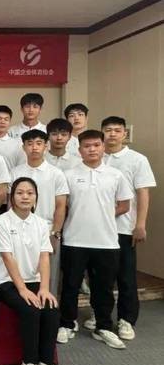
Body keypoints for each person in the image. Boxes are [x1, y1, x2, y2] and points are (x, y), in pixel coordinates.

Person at [82, 116, 156, 340]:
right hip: (96, 230)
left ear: (125, 134)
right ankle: (99, 314)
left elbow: (143, 193)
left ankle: (126, 319)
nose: (112, 134)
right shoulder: (95, 157)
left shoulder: (137, 159)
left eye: (117, 130)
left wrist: (140, 224)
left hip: (123, 228)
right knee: (98, 277)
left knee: (125, 277)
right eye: (108, 130)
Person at [57, 130, 133, 349]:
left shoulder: (115, 175)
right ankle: (67, 323)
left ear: (103, 147)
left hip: (106, 242)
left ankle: (103, 327)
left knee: (104, 288)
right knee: (70, 285)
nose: (92, 149)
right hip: (74, 240)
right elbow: (63, 205)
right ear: (79, 149)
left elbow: (124, 205)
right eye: (87, 146)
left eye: (96, 145)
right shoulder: (68, 175)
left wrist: (102, 215)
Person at [0, 177, 62, 365]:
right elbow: (7, 257)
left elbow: (44, 257)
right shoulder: (2, 221)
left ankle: (46, 363)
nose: (25, 197)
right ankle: (29, 363)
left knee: (51, 308)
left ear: (36, 197)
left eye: (30, 193)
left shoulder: (41, 224)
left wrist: (45, 289)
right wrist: (22, 289)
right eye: (20, 193)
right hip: (5, 281)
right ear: (12, 197)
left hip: (33, 280)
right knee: (30, 309)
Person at [11, 129, 69, 293]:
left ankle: (49, 307)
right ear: (23, 147)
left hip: (47, 230)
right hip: (19, 229)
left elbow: (61, 206)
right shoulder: (15, 172)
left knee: (49, 277)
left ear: (46, 146)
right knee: (21, 273)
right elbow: (11, 204)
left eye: (39, 143)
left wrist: (55, 233)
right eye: (30, 144)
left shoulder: (56, 174)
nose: (34, 147)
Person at [0, 105, 26, 170]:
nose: (2, 122)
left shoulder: (18, 144)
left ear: (10, 122)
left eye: (6, 119)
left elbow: (21, 167)